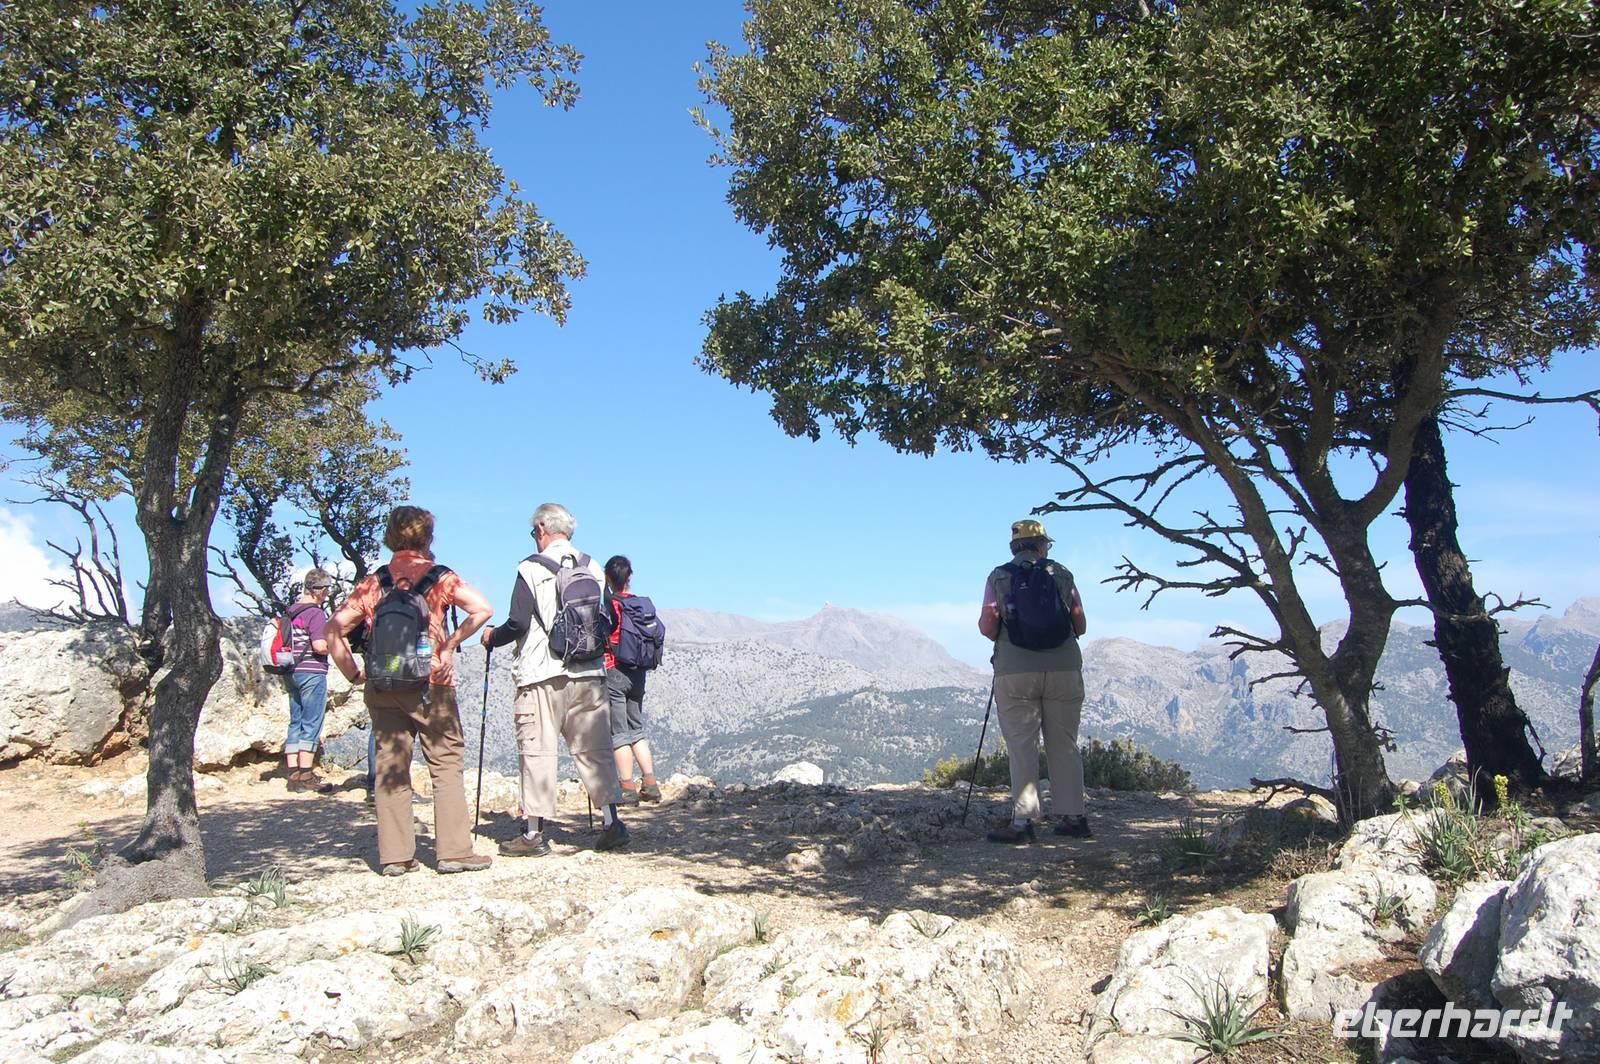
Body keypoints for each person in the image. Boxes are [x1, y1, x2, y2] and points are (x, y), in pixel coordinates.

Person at [327, 506, 494, 875]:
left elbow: (334, 630)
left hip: (382, 679)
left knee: (391, 763)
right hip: (429, 680)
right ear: (428, 538)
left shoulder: (375, 582)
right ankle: (454, 852)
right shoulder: (440, 578)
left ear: (391, 537)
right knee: (446, 762)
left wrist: (354, 673)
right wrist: (448, 645)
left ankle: (395, 856)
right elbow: (482, 609)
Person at [481, 503, 629, 856]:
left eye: (535, 532)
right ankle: (612, 823)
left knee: (537, 750)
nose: (535, 538)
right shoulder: (592, 566)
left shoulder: (530, 568)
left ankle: (533, 834)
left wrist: (491, 638)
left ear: (543, 528)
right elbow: (606, 618)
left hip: (541, 673)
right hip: (589, 673)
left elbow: (517, 623)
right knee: (595, 750)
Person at [977, 518, 1090, 842]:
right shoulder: (1062, 574)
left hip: (1016, 671)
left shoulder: (999, 576)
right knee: (1064, 744)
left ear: (1014, 546)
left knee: (1022, 746)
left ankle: (1023, 823)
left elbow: (988, 625)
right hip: (1064, 668)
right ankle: (1074, 818)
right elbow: (1080, 624)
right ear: (1043, 546)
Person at [603, 555, 660, 803]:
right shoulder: (641, 605)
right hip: (638, 672)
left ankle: (626, 787)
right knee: (636, 728)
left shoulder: (609, 605)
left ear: (607, 578)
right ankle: (650, 782)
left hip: (614, 670)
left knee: (619, 733)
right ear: (630, 577)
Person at [283, 568, 336, 794]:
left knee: (295, 721)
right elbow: (319, 646)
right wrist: (336, 647)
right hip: (312, 672)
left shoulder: (291, 611)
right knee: (311, 723)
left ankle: (293, 773)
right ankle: (306, 775)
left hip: (290, 671)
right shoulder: (315, 613)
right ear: (321, 590)